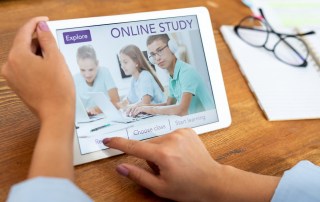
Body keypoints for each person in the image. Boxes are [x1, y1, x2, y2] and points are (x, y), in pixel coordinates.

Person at [3, 17, 320, 202]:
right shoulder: (169, 76)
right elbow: (161, 103)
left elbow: (178, 111)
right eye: (150, 52)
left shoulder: (183, 73)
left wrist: (58, 111)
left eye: (159, 50)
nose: (154, 56)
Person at [128, 34, 215, 117]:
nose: (157, 58)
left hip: (209, 121)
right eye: (153, 54)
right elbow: (168, 104)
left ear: (172, 47)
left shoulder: (187, 72)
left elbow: (182, 110)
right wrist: (143, 108)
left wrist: (151, 110)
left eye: (160, 50)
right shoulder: (172, 77)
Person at [74, 44, 120, 115]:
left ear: (97, 64)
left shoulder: (104, 72)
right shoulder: (75, 79)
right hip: (88, 121)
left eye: (91, 69)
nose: (87, 75)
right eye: (82, 70)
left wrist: (95, 110)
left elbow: (116, 101)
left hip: (106, 116)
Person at [118, 44, 165, 111]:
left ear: (136, 62)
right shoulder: (134, 80)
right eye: (121, 63)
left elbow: (145, 103)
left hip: (161, 114)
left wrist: (128, 107)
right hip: (151, 114)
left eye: (125, 62)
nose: (122, 66)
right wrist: (121, 104)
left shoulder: (145, 76)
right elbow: (129, 99)